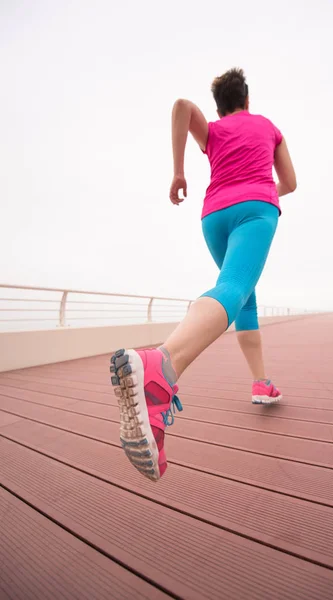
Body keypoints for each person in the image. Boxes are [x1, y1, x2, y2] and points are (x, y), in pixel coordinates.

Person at [110, 68, 297, 481]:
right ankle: (161, 366)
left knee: (243, 296)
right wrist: (261, 191)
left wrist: (179, 171)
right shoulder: (266, 126)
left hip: (213, 216)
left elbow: (180, 107)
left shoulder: (213, 131)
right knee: (233, 286)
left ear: (219, 106)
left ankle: (261, 382)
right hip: (254, 209)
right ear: (247, 101)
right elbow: (291, 182)